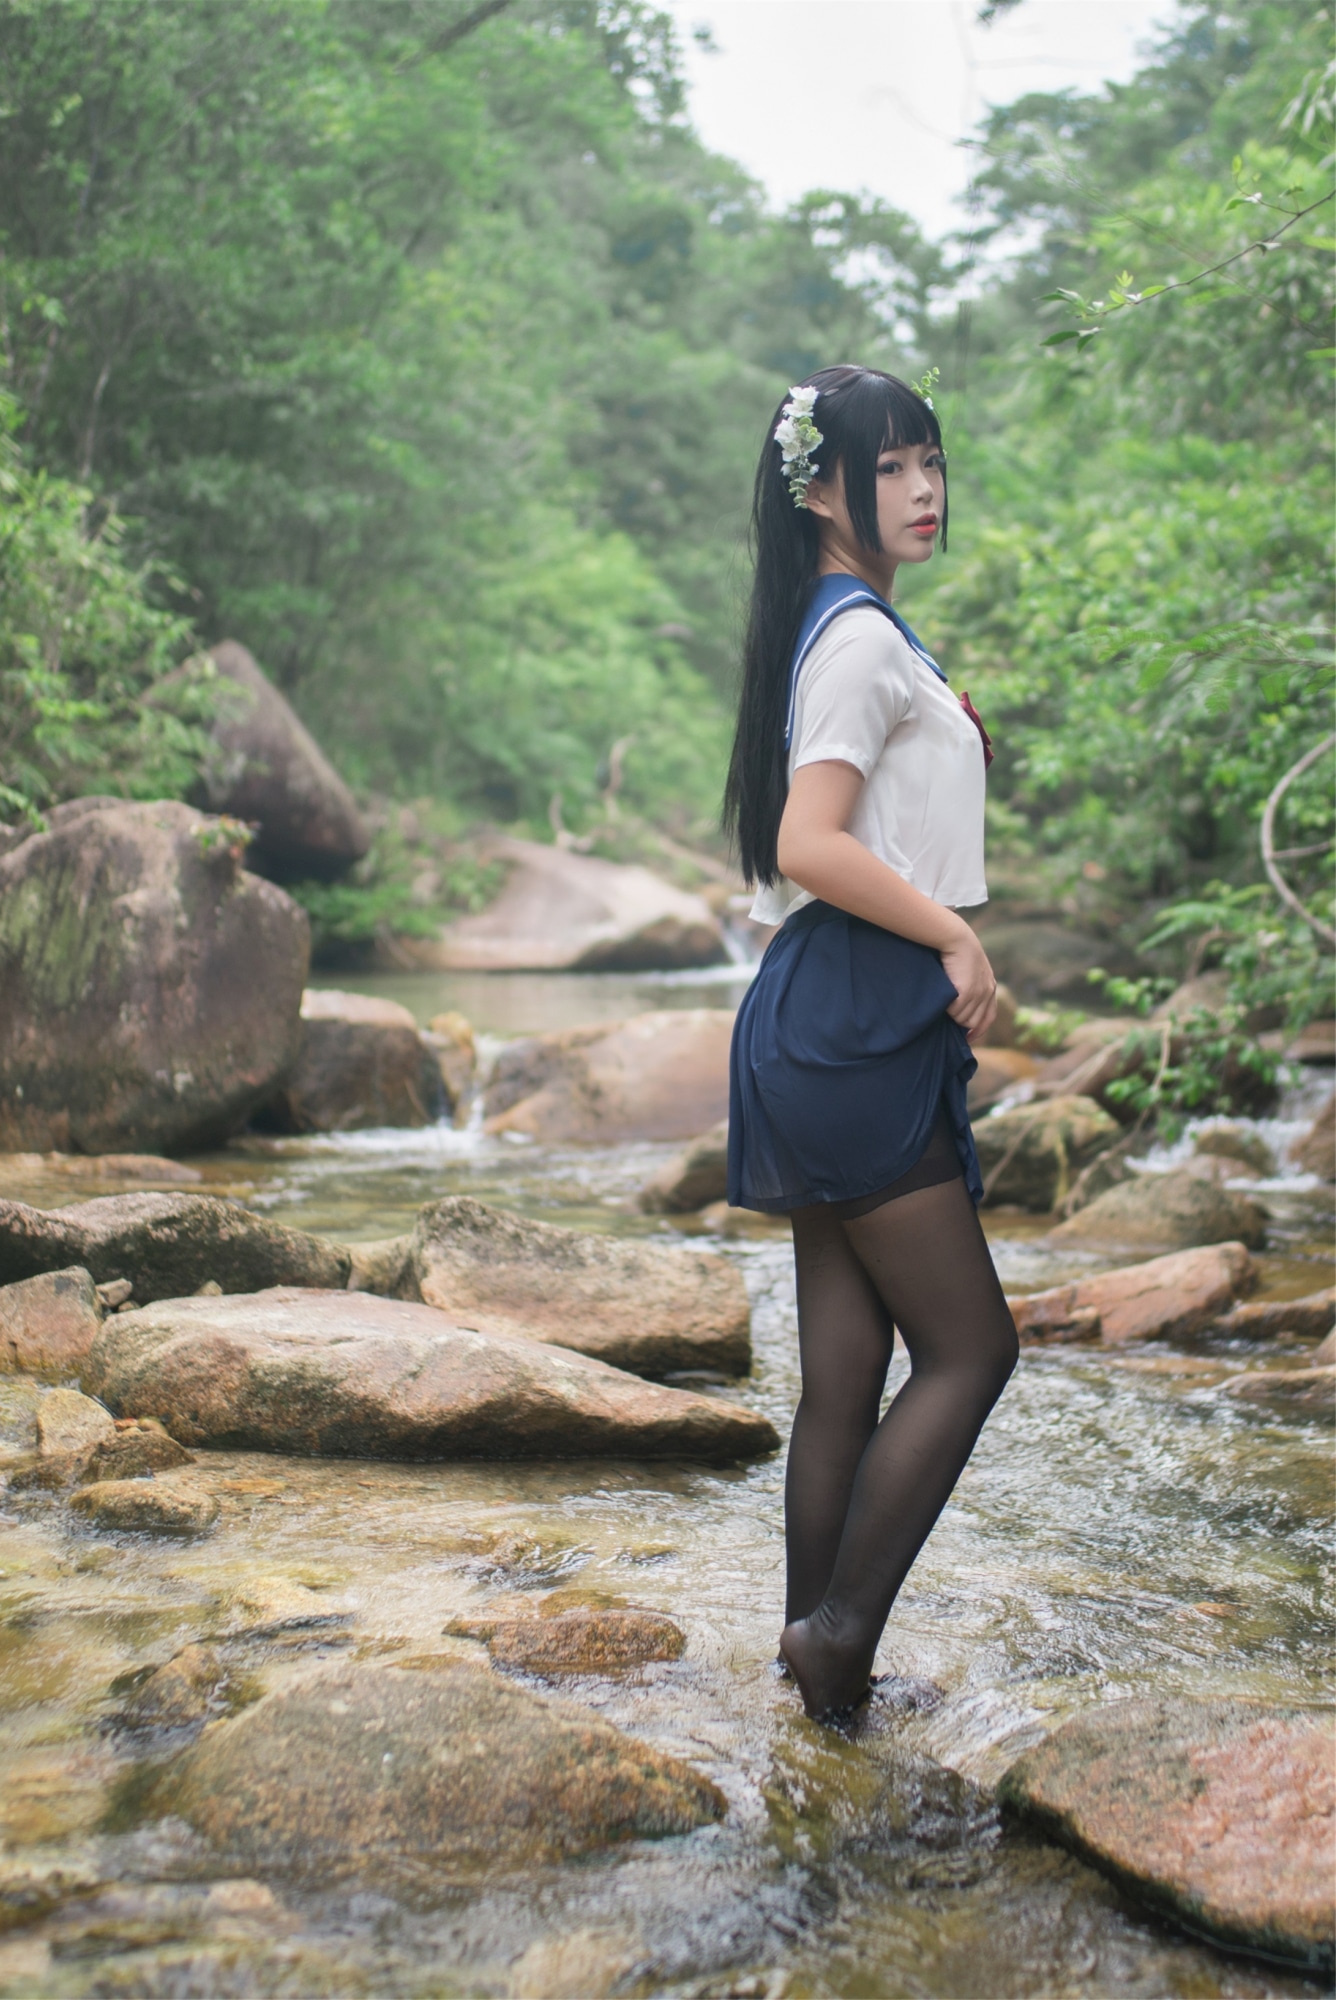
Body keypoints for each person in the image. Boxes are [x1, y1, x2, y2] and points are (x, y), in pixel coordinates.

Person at [723, 364, 1019, 1724]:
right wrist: (957, 939)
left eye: (930, 461)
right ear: (822, 490)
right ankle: (838, 1639)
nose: (923, 488)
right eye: (889, 466)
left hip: (835, 1013)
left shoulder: (859, 629)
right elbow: (808, 842)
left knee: (845, 1376)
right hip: (855, 1013)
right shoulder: (855, 640)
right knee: (971, 1351)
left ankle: (814, 1671)